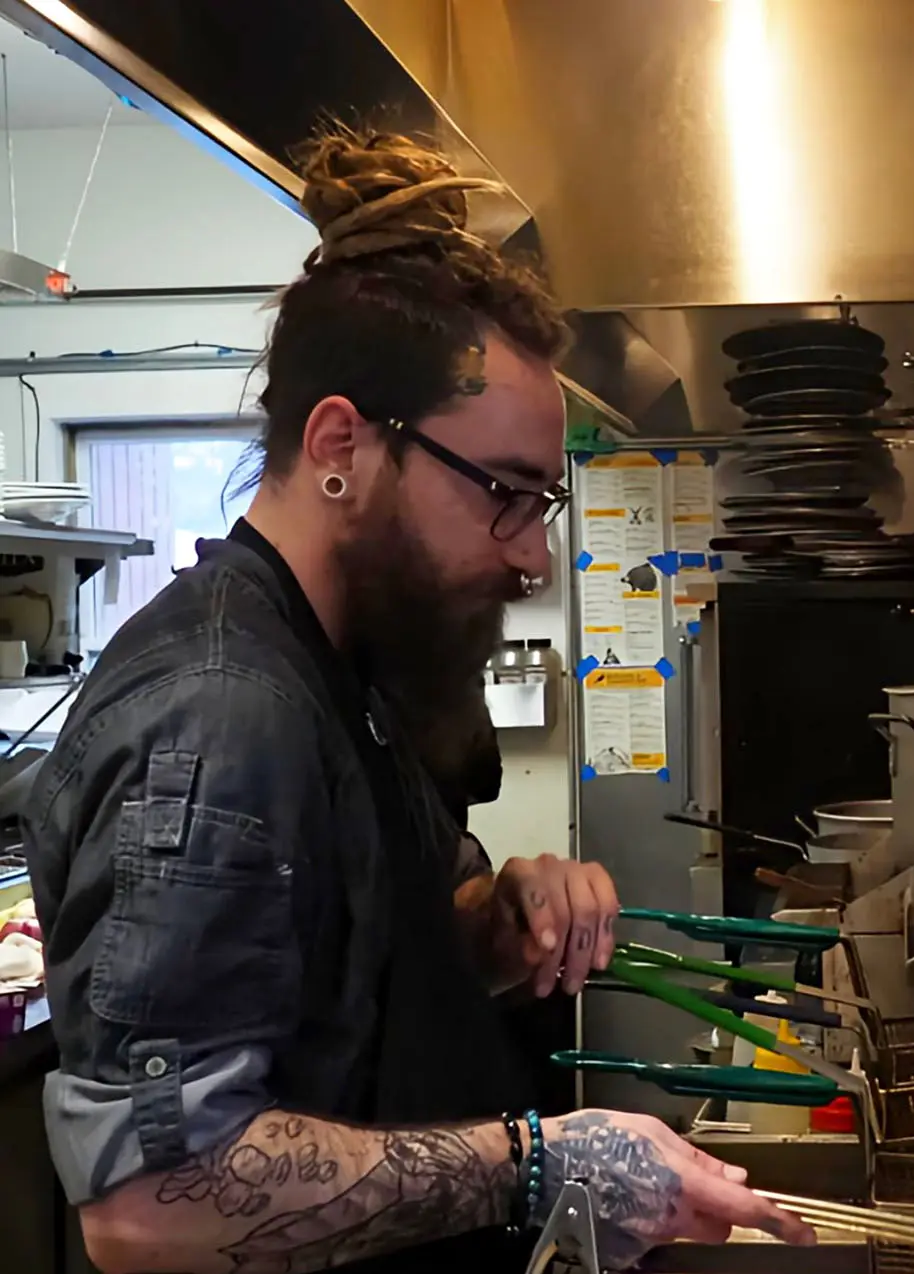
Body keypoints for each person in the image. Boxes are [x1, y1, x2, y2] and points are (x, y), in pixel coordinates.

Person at [21, 127, 812, 1274]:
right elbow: (153, 1199)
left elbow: (354, 987)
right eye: (507, 493)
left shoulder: (354, 671)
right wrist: (537, 1160)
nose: (533, 557)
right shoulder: (221, 710)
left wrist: (498, 924)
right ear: (342, 444)